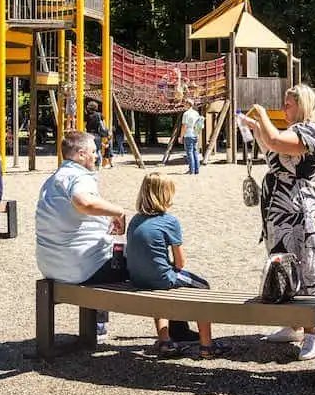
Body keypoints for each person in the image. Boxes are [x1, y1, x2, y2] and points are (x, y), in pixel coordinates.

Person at [241, 84, 315, 361]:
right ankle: (293, 324)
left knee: (308, 266)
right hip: (279, 208)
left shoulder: (310, 131)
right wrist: (254, 127)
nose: (284, 108)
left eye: (288, 104)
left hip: (301, 208)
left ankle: (314, 332)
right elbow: (271, 145)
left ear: (302, 105)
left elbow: (277, 142)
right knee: (282, 263)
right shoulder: (292, 130)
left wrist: (262, 115)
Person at [36, 130, 134, 341]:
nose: (97, 155)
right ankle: (175, 330)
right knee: (148, 264)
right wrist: (118, 211)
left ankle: (98, 323)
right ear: (81, 154)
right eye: (93, 151)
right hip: (81, 268)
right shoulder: (79, 176)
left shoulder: (53, 180)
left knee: (105, 250)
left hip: (50, 266)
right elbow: (84, 202)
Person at [126, 172, 223, 358]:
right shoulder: (169, 221)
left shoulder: (135, 220)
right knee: (202, 286)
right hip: (162, 278)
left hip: (138, 278)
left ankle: (165, 340)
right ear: (166, 195)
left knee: (156, 288)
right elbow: (180, 262)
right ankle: (207, 345)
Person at [180, 99, 202, 175]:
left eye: (185, 104)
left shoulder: (186, 114)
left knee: (189, 153)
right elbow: (199, 125)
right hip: (195, 134)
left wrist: (181, 136)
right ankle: (197, 170)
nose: (184, 105)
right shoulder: (196, 113)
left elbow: (184, 126)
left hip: (188, 134)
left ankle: (191, 170)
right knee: (195, 152)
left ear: (188, 104)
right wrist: (198, 134)